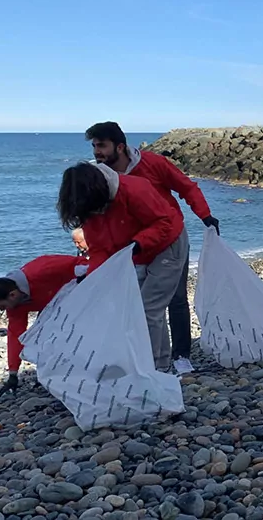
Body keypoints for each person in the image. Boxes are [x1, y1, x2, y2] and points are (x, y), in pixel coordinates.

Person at [89, 121, 218, 376]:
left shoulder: (152, 164)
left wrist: (205, 215)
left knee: (175, 299)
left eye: (101, 145)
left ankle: (180, 356)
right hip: (135, 247)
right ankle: (148, 360)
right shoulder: (100, 177)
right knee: (142, 306)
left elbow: (185, 186)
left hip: (169, 238)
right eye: (94, 146)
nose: (97, 152)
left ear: (120, 146)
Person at [57, 162, 184, 373]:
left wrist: (138, 243)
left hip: (167, 244)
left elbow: (164, 222)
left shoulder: (135, 189)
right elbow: (99, 249)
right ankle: (159, 366)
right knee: (146, 309)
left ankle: (151, 369)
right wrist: (93, 278)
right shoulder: (87, 206)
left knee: (148, 309)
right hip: (136, 251)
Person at [0, 255, 88, 394]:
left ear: (12, 295)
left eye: (1, 305)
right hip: (53, 307)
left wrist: (84, 276)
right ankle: (57, 374)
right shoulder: (15, 307)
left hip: (82, 293)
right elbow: (16, 337)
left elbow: (83, 262)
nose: (2, 310)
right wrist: (13, 374)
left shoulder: (41, 269)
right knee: (44, 337)